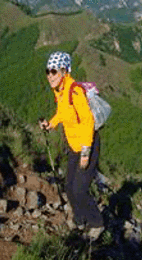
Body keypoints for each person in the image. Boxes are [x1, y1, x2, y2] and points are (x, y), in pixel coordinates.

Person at [39, 51, 104, 241]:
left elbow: (88, 122)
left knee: (79, 189)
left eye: (54, 71)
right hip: (74, 144)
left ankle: (96, 223)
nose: (50, 76)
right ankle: (79, 219)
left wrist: (86, 152)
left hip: (87, 144)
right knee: (68, 185)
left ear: (64, 71)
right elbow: (62, 112)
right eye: (48, 71)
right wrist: (50, 124)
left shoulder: (74, 90)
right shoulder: (59, 91)